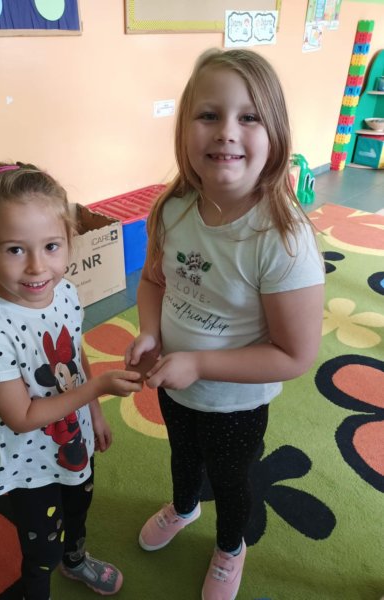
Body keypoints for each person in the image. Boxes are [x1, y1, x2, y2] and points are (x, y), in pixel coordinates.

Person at [125, 48, 325, 600]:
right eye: (209, 115)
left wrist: (199, 363)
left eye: (249, 117)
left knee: (232, 480)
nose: (226, 132)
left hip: (236, 403)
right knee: (183, 456)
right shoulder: (172, 208)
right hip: (175, 384)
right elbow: (154, 282)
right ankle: (184, 506)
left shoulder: (282, 239)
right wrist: (149, 332)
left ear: (275, 134)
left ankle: (231, 546)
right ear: (184, 128)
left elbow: (294, 354)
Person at [0, 162, 143, 600]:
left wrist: (94, 413)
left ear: (70, 239)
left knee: (79, 507)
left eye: (51, 246)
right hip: (27, 462)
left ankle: (75, 560)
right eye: (15, 249)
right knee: (41, 549)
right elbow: (22, 417)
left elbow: (74, 353)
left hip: (73, 436)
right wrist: (97, 390)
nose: (37, 267)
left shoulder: (64, 291)